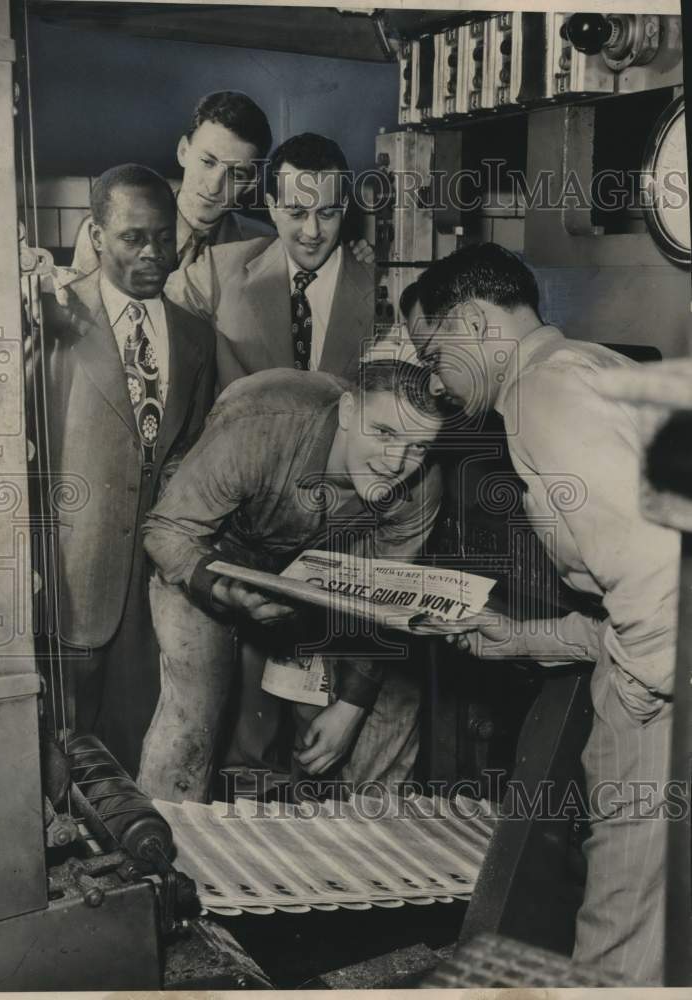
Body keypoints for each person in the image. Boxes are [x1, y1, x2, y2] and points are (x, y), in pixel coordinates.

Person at [405, 242, 679, 985]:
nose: (435, 383)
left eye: (433, 357)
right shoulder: (594, 367)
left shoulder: (542, 398)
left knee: (620, 931)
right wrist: (521, 637)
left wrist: (634, 704)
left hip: (661, 702)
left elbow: (656, 588)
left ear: (468, 322)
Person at [138, 360, 444, 803]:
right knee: (193, 712)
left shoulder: (421, 485)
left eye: (417, 447)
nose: (396, 462)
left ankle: (362, 850)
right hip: (210, 548)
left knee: (391, 696)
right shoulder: (260, 420)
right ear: (346, 411)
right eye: (383, 433)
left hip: (321, 562)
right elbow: (167, 530)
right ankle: (166, 847)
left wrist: (351, 707)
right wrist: (223, 590)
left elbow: (385, 602)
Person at [33, 163, 216, 775]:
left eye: (164, 238)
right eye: (133, 238)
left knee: (139, 756)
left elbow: (187, 456)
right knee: (61, 762)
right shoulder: (52, 322)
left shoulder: (195, 337)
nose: (153, 254)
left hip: (157, 591)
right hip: (71, 583)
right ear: (96, 233)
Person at [165, 132, 375, 390]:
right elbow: (145, 317)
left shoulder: (380, 284)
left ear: (343, 207)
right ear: (272, 207)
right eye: (296, 213)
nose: (312, 231)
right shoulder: (219, 270)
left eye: (327, 213)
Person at [71, 91, 274, 275]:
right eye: (207, 162)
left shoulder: (266, 248)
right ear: (183, 152)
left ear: (251, 183)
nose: (214, 187)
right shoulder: (105, 232)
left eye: (236, 174)